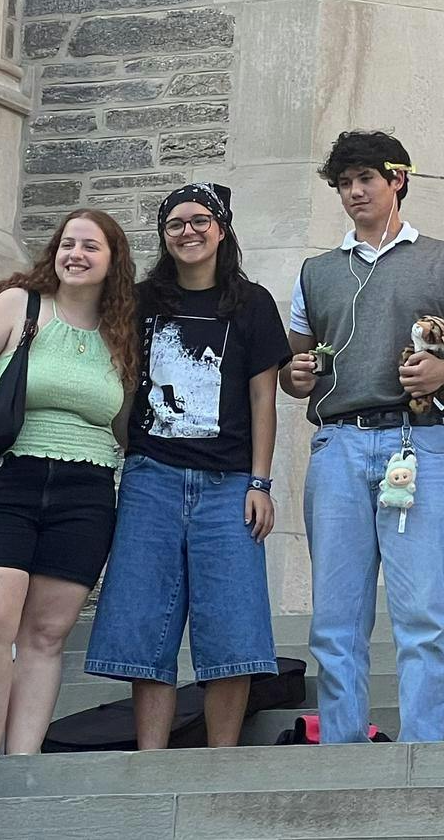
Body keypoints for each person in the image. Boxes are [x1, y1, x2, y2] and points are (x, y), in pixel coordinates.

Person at [281, 130, 444, 745]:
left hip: (417, 440)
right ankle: (341, 750)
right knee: (334, 620)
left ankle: (423, 749)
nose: (353, 193)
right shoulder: (316, 272)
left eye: (364, 180)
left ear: (397, 179)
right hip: (338, 443)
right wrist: (295, 376)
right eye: (344, 184)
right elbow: (299, 372)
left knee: (422, 613)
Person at [83, 184, 289, 748]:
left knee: (233, 623)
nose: (188, 232)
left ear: (222, 229)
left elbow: (263, 400)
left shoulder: (252, 303)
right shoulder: (143, 299)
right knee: (146, 621)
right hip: (152, 477)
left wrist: (261, 481)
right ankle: (152, 760)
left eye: (200, 221)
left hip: (229, 484)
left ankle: (218, 762)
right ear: (163, 236)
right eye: (175, 224)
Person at [0, 208, 135, 756]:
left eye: (90, 246)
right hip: (4, 481)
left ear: (112, 261)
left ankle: (23, 762)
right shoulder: (18, 305)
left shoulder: (122, 334)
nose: (75, 254)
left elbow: (122, 425)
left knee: (47, 636)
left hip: (87, 491)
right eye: (67, 243)